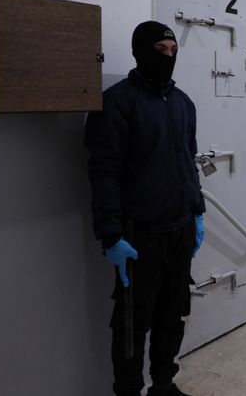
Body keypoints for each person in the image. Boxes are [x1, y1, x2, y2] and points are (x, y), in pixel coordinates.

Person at [85, 21, 205, 396]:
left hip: (180, 227)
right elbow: (104, 171)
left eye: (173, 50)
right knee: (132, 322)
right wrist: (110, 233)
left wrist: (197, 211)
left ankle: (164, 384)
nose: (168, 56)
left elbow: (188, 161)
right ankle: (129, 390)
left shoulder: (184, 103)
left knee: (174, 312)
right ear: (141, 51)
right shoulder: (116, 103)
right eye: (161, 49)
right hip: (139, 235)